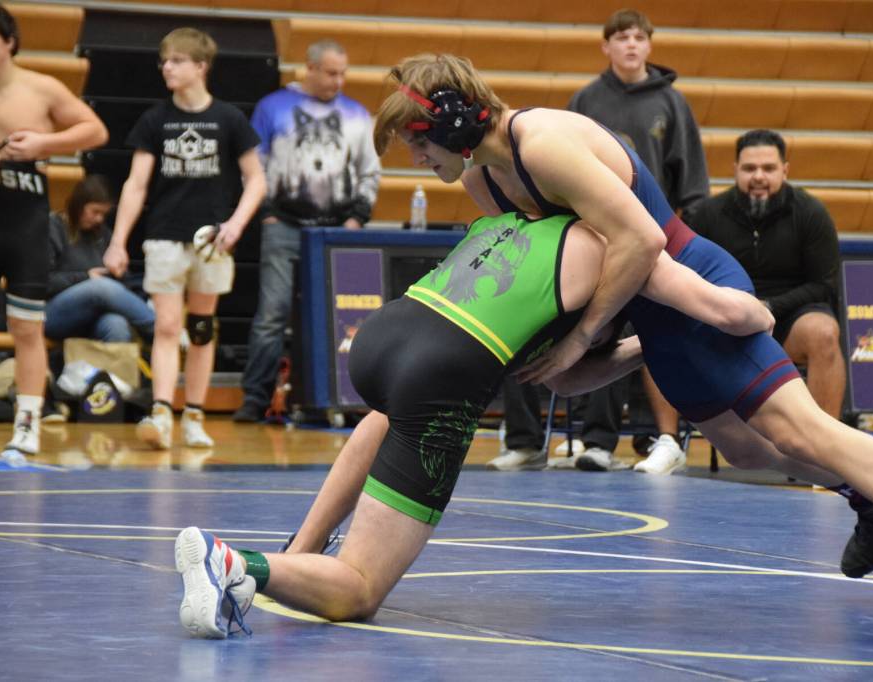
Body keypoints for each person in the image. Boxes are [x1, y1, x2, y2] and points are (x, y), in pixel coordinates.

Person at [176, 54, 873, 646]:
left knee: (797, 430)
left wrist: (594, 338)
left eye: (418, 147)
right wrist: (589, 347)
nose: (418, 166)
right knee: (755, 452)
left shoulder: (545, 142)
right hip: (637, 302)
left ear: (449, 124)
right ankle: (869, 494)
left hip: (680, 279)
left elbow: (636, 239)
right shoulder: (484, 179)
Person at [174, 207, 773, 638]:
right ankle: (232, 564)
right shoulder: (629, 247)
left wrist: (636, 345)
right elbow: (730, 310)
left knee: (393, 415)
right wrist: (764, 318)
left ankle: (301, 547)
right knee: (358, 590)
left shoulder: (507, 219)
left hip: (386, 335)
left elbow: (552, 368)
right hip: (440, 375)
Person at [491, 8, 710, 475]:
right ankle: (526, 441)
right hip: (588, 233)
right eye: (621, 37)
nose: (631, 45)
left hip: (649, 236)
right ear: (606, 46)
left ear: (650, 45)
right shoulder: (586, 99)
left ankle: (600, 442)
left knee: (616, 327)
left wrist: (674, 241)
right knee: (545, 323)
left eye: (639, 37)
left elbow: (690, 180)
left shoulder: (672, 103)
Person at [0, 1, 107, 458]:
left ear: (9, 42)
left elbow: (94, 130)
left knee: (25, 326)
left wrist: (44, 143)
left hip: (27, 227)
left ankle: (29, 418)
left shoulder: (42, 89)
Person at [103, 27, 265, 450]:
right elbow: (135, 186)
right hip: (164, 238)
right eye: (164, 61)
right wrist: (118, 240)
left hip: (211, 241)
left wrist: (236, 224)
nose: (166, 68)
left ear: (200, 67)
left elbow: (257, 180)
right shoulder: (155, 120)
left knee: (200, 329)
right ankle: (160, 413)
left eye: (175, 60)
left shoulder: (228, 118)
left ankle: (193, 413)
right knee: (166, 325)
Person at [232, 39, 381, 423]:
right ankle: (256, 397)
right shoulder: (273, 107)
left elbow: (370, 169)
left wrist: (357, 219)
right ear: (309, 69)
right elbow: (255, 163)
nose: (338, 80)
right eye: (331, 72)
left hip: (337, 230)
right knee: (273, 312)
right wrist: (265, 212)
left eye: (343, 73)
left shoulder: (357, 115)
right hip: (284, 223)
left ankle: (345, 397)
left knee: (342, 315)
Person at [685, 129, 847, 419]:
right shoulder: (707, 215)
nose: (758, 176)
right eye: (749, 168)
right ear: (734, 171)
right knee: (659, 325)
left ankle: (826, 448)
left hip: (789, 318)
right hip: (725, 318)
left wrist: (769, 308)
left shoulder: (811, 213)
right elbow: (687, 277)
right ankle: (668, 440)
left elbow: (825, 285)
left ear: (784, 171)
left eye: (768, 168)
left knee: (823, 332)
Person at [45, 174, 155, 344]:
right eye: (95, 212)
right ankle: (158, 328)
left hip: (95, 315)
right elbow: (43, 282)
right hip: (52, 313)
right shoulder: (53, 227)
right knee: (100, 287)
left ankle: (113, 371)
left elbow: (121, 288)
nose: (99, 219)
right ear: (79, 204)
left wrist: (120, 273)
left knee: (116, 325)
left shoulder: (103, 234)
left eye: (103, 214)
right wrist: (86, 277)